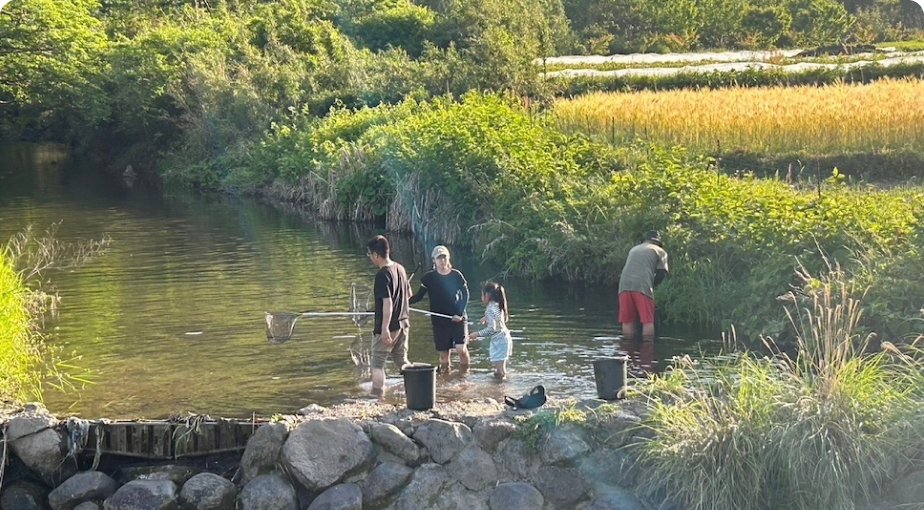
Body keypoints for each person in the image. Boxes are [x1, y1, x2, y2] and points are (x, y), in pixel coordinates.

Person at [409, 245, 471, 373]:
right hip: (439, 321)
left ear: (448, 258)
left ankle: (465, 375)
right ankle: (446, 377)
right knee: (443, 354)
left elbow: (465, 295)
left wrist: (459, 313)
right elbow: (419, 297)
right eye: (439, 258)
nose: (442, 261)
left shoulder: (456, 275)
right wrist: (403, 302)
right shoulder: (429, 278)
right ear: (434, 260)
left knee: (461, 349)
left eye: (444, 257)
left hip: (457, 318)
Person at [366, 235, 411, 397]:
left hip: (389, 326)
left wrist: (384, 328)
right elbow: (408, 294)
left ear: (376, 255)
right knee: (401, 361)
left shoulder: (382, 275)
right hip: (404, 324)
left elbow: (388, 303)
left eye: (370, 255)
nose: (370, 258)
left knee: (377, 363)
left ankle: (377, 396)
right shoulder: (400, 268)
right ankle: (417, 387)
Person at [618, 230, 669, 340]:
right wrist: (652, 286)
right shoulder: (660, 251)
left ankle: (627, 349)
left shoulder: (634, 249)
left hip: (624, 284)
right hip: (642, 284)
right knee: (647, 321)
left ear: (645, 240)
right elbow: (661, 273)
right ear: (658, 242)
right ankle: (647, 349)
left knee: (627, 320)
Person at [467, 281, 512, 379]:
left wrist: (477, 334)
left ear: (487, 295)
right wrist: (486, 318)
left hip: (499, 341)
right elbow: (498, 319)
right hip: (504, 338)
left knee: (500, 370)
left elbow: (492, 329)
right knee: (499, 367)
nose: (481, 298)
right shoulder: (497, 306)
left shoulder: (490, 309)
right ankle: (499, 383)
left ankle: (502, 388)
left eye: (482, 295)